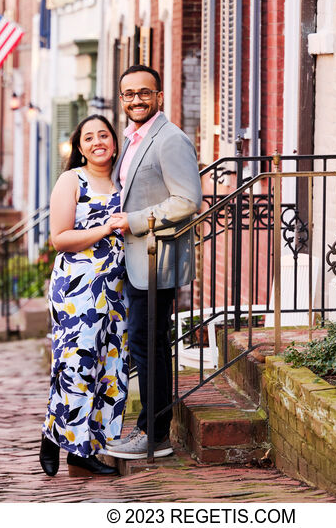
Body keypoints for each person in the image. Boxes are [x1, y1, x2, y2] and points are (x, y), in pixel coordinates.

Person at [107, 65, 202, 460]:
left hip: (156, 257)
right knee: (149, 344)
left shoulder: (170, 139)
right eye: (128, 94)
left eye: (144, 93)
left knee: (149, 344)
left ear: (159, 97)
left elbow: (187, 201)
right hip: (135, 259)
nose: (136, 100)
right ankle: (151, 426)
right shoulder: (132, 139)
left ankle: (154, 433)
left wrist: (132, 222)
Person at [39, 114, 127, 478]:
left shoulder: (124, 180)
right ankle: (53, 436)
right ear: (79, 147)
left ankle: (84, 448)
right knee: (77, 364)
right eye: (88, 138)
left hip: (116, 289)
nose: (97, 142)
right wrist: (105, 228)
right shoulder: (71, 179)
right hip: (77, 289)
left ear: (114, 141)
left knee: (109, 368)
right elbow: (58, 237)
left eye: (103, 135)